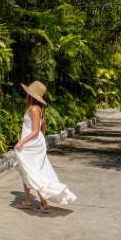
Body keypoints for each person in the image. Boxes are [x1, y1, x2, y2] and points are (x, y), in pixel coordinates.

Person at [13, 81, 76, 213]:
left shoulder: (34, 109)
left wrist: (22, 142)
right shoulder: (39, 109)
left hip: (31, 144)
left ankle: (43, 202)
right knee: (26, 169)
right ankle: (28, 200)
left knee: (32, 172)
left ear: (31, 94)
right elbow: (42, 130)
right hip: (35, 143)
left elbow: (36, 130)